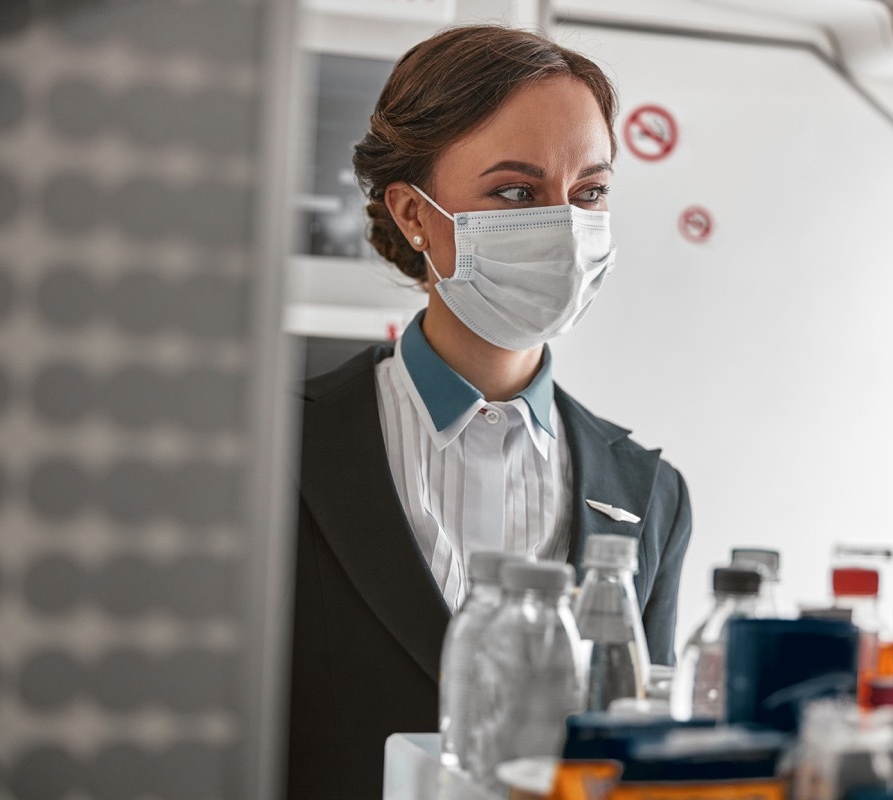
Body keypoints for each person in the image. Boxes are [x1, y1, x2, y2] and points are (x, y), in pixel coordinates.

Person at [286, 24, 693, 798]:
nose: (567, 229)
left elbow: (634, 762)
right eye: (515, 192)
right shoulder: (283, 449)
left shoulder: (650, 498)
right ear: (412, 212)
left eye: (591, 193)